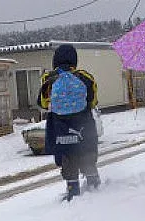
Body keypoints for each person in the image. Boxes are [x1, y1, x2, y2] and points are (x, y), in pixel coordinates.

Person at [38, 44, 100, 201]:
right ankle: (95, 186)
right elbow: (92, 102)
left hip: (61, 128)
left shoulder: (49, 79)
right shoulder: (86, 77)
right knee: (87, 153)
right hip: (84, 125)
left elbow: (43, 104)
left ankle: (72, 190)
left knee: (68, 156)